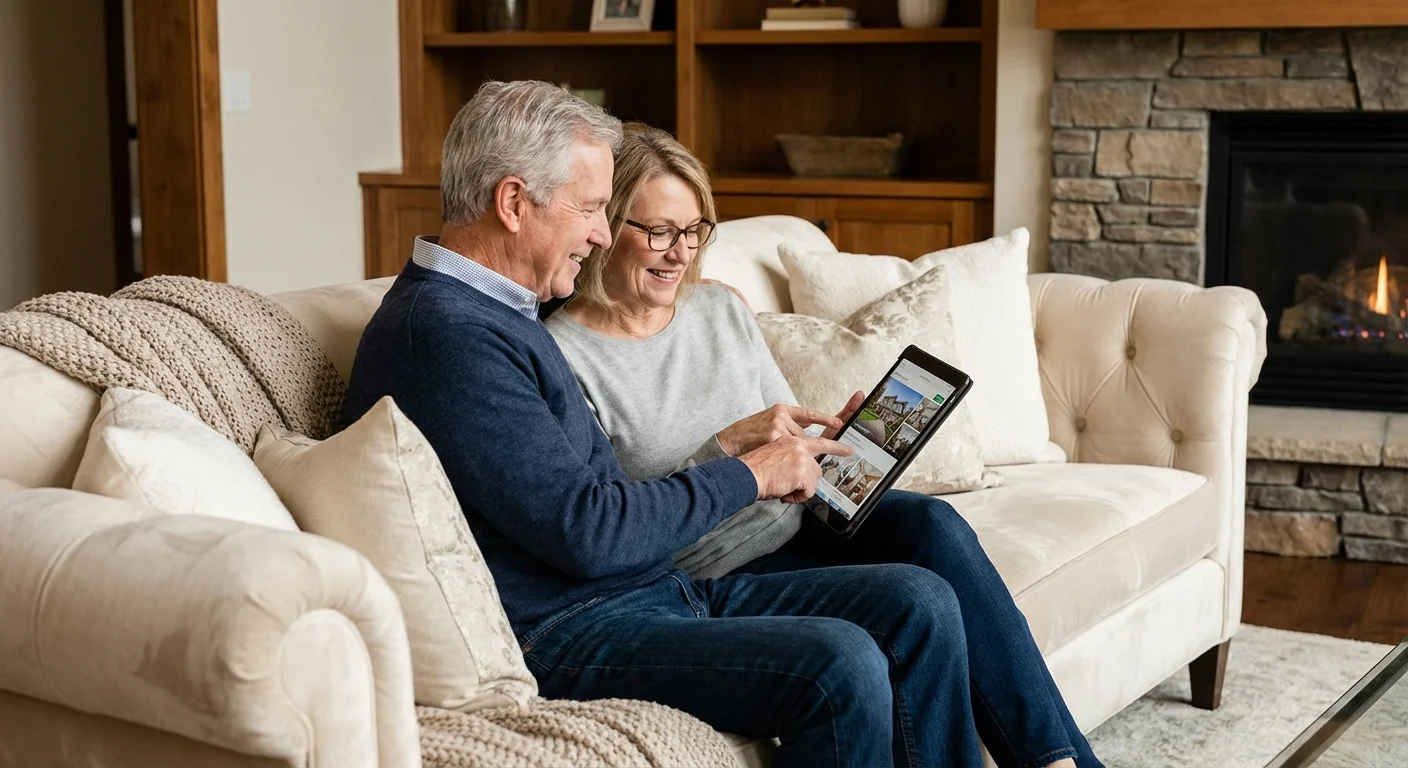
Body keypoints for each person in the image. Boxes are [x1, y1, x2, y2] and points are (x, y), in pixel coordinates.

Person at [342, 79, 987, 767]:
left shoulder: (498, 311)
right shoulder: (445, 335)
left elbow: (599, 497)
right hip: (565, 631)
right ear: (512, 203)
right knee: (839, 665)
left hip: (646, 593)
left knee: (918, 602)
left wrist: (740, 449)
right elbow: (587, 530)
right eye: (590, 208)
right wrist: (747, 475)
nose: (599, 230)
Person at [543, 121, 1104, 768]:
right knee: (919, 602)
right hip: (705, 566)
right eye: (660, 231)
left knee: (932, 523)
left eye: (694, 231)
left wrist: (830, 441)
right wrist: (724, 451)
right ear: (606, 227)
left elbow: (782, 432)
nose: (679, 252)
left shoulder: (718, 310)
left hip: (798, 519)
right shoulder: (566, 356)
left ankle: (1060, 763)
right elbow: (613, 526)